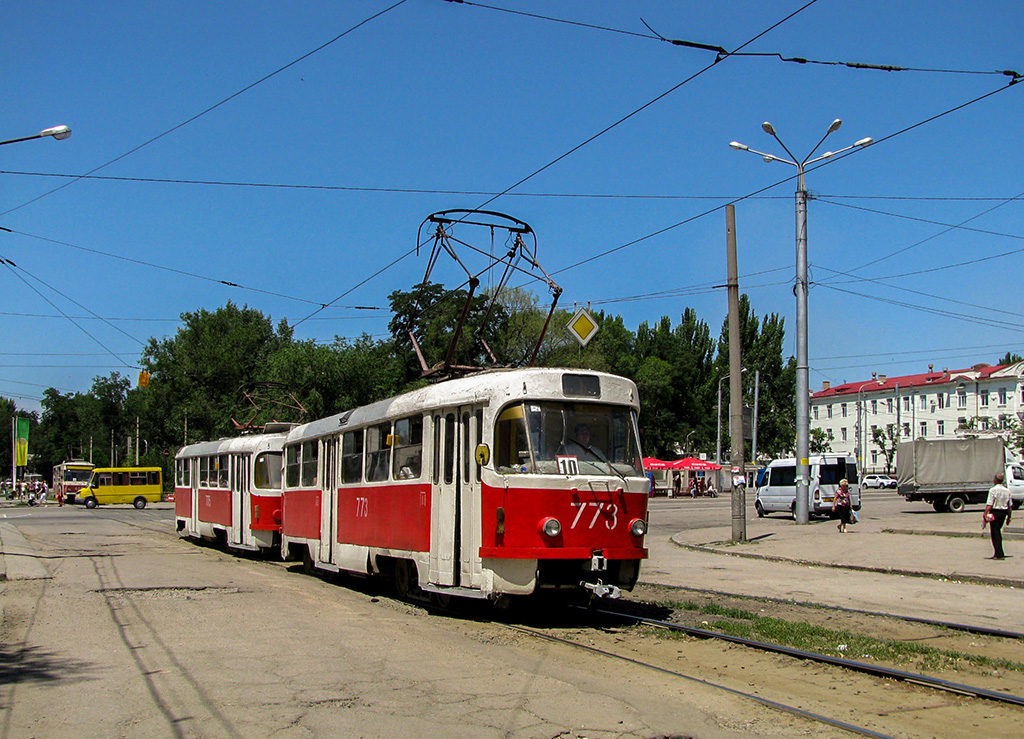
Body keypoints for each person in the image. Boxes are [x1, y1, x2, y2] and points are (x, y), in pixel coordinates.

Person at [984, 472, 1013, 560]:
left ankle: (999, 554)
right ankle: (998, 553)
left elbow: (990, 504)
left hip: (995, 512)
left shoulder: (993, 490)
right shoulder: (1007, 490)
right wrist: (1009, 517)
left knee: (995, 533)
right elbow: (1010, 506)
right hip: (1003, 513)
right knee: (997, 531)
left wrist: (985, 513)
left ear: (996, 480)